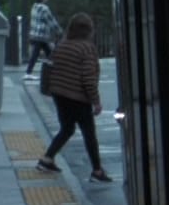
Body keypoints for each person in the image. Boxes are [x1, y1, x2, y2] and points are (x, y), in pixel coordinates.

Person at [35, 14, 113, 183]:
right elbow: (88, 78)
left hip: (59, 94)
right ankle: (97, 171)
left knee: (67, 128)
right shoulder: (87, 48)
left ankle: (47, 159)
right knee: (89, 134)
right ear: (88, 31)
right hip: (77, 97)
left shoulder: (61, 46)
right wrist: (96, 101)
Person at [25, 0, 61, 78]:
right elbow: (51, 21)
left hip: (34, 34)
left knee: (48, 53)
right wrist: (59, 31)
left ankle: (56, 71)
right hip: (41, 35)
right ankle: (28, 73)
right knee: (39, 54)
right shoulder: (44, 8)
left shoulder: (34, 7)